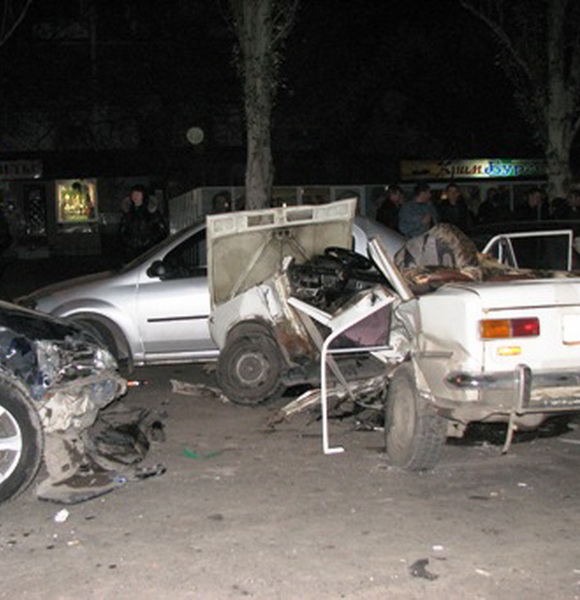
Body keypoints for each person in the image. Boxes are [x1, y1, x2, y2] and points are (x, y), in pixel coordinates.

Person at [119, 184, 168, 262]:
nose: (135, 196)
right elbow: (122, 229)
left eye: (138, 194)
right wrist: (128, 241)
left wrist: (150, 240)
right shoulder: (128, 211)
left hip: (147, 250)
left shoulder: (151, 211)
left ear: (143, 196)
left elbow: (161, 228)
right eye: (133, 194)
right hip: (130, 250)